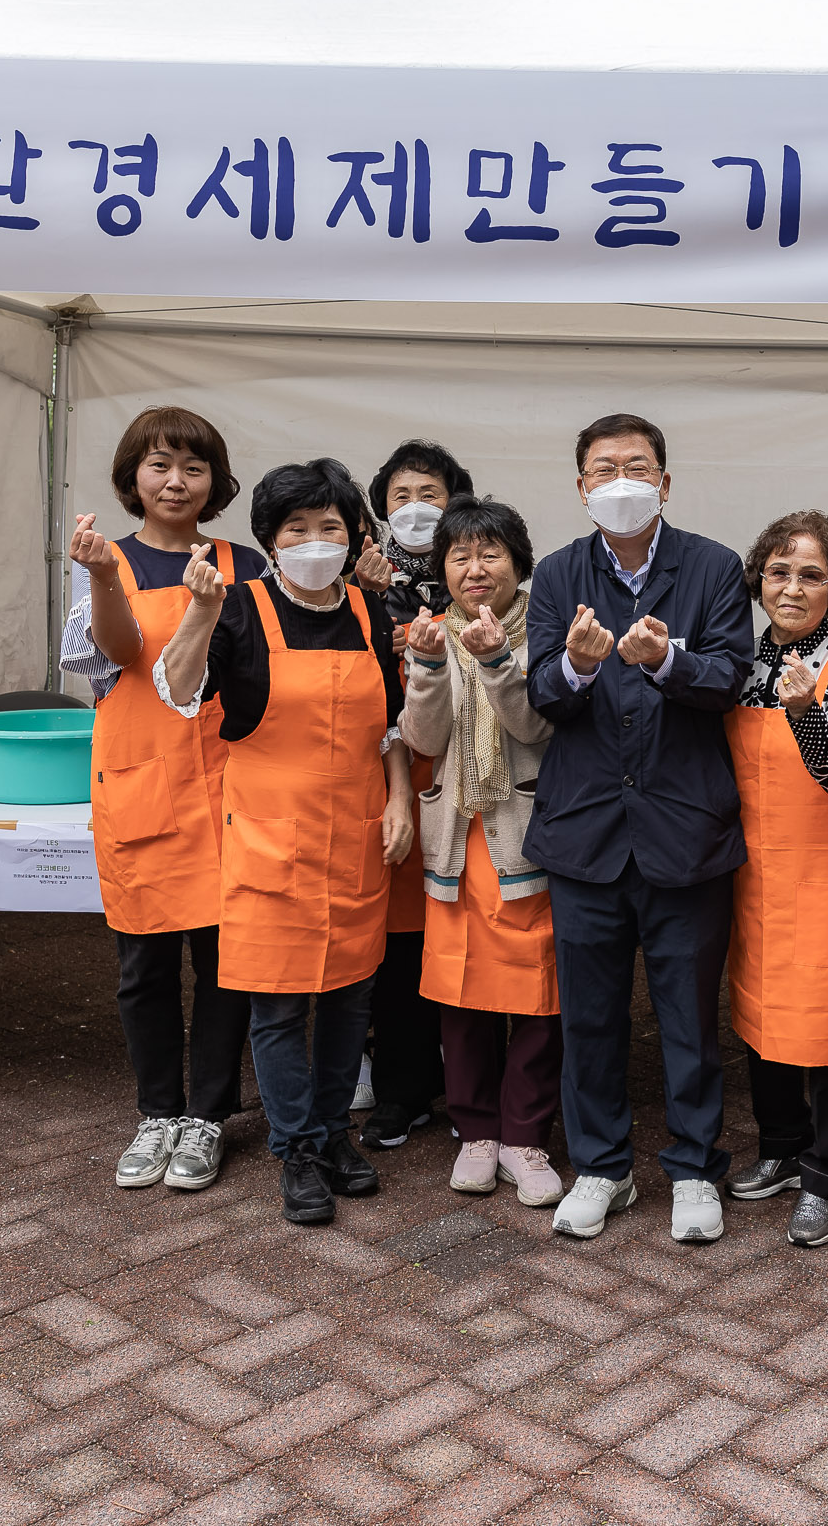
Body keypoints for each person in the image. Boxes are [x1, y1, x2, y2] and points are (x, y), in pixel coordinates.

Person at [158, 457, 413, 1228]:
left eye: (329, 526)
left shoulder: (372, 613)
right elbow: (177, 689)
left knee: (346, 1000)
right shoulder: (238, 606)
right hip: (271, 843)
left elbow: (394, 725)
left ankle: (335, 1134)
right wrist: (198, 613)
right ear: (269, 540)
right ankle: (297, 1148)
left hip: (358, 839)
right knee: (276, 1008)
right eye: (295, 528)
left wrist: (401, 796)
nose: (313, 540)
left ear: (354, 535)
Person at [524, 413, 755, 1244]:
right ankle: (603, 1167)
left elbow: (729, 675)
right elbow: (542, 697)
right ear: (581, 487)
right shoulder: (556, 574)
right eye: (601, 468)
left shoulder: (714, 566)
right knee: (589, 1015)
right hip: (586, 833)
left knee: (690, 1011)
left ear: (665, 481)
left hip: (683, 830)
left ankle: (694, 1167)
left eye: (637, 465)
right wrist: (579, 664)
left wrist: (664, 659)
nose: (619, 480)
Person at [63, 406, 267, 1195]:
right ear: (132, 478)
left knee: (224, 963)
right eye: (158, 464)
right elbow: (119, 655)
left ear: (215, 481)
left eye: (192, 466)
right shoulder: (102, 559)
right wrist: (104, 576)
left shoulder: (243, 561)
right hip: (138, 780)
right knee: (143, 964)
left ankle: (209, 1116)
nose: (175, 480)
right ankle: (157, 1111)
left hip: (225, 784)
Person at [398, 495, 568, 1208]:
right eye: (460, 555)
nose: (475, 568)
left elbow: (536, 723)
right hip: (455, 841)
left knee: (537, 994)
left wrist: (496, 658)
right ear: (443, 567)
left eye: (489, 552)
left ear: (517, 561)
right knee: (459, 991)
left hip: (525, 837)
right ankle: (476, 1132)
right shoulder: (430, 633)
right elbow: (423, 740)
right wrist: (431, 669)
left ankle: (525, 1135)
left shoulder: (549, 627)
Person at [725, 510, 828, 1248]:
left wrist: (806, 711)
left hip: (827, 878)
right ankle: (781, 1145)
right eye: (779, 571)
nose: (792, 586)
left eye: (810, 573)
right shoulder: (739, 664)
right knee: (761, 1015)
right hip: (757, 878)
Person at [353, 440, 478, 1150]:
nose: (415, 507)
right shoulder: (365, 586)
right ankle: (401, 1091)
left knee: (465, 937)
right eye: (400, 495)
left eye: (429, 492)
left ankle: (468, 1086)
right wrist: (367, 599)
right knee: (401, 948)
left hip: (474, 786)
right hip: (398, 778)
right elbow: (369, 696)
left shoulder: (478, 573)